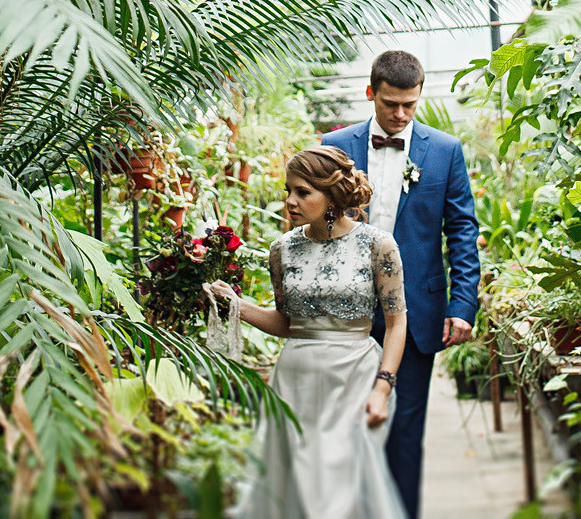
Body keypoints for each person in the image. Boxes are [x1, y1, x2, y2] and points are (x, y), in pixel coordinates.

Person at [206, 146, 409, 519]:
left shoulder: (378, 245)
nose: (289, 201)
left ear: (331, 196)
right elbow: (286, 323)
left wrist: (383, 388)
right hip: (295, 381)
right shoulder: (282, 249)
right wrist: (236, 304)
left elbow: (396, 323)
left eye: (302, 192)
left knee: (339, 492)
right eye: (288, 190)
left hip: (355, 379)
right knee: (295, 487)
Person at [322, 50, 481, 519]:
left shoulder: (446, 150)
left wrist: (463, 304)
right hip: (343, 312)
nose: (400, 114)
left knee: (405, 433)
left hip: (416, 313)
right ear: (371, 93)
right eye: (391, 103)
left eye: (410, 104)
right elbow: (318, 218)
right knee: (345, 429)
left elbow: (463, 231)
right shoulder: (334, 144)